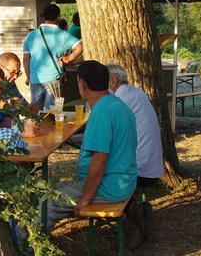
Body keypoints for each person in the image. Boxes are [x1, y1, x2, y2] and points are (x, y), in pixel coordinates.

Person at [44, 61, 137, 229]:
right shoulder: (117, 104)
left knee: (47, 203)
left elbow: (99, 160)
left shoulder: (102, 111)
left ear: (82, 84)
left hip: (108, 188)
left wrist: (85, 199)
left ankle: (24, 244)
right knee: (48, 190)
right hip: (122, 182)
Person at [106, 64, 163, 186]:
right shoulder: (134, 92)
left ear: (113, 81)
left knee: (93, 168)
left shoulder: (120, 99)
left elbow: (107, 135)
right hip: (151, 166)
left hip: (139, 170)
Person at [23, 3, 84, 111]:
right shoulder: (63, 35)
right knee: (53, 113)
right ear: (58, 17)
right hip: (54, 79)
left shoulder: (31, 35)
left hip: (35, 80)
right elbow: (80, 46)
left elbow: (26, 59)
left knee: (35, 113)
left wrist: (28, 77)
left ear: (44, 17)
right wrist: (69, 58)